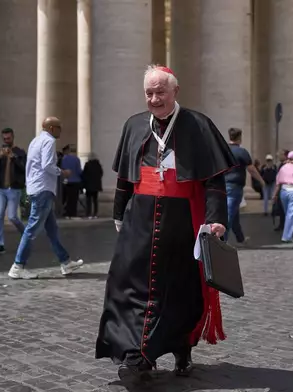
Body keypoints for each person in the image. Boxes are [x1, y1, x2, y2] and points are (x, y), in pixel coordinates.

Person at [95, 65, 236, 382]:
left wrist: (215, 220)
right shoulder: (134, 125)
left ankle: (181, 346)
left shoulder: (197, 125)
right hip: (139, 220)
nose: (154, 98)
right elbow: (124, 177)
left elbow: (213, 181)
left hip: (180, 222)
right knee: (128, 284)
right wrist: (119, 214)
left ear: (175, 91)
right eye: (149, 93)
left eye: (160, 91)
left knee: (178, 289)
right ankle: (137, 354)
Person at [8, 117, 84, 279]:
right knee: (32, 228)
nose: (60, 130)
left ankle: (65, 262)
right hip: (43, 189)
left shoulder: (35, 141)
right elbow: (47, 165)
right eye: (59, 127)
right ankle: (18, 266)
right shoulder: (49, 142)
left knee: (52, 230)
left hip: (36, 187)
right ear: (51, 128)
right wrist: (62, 172)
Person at [0, 128, 27, 255]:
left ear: (13, 137)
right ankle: (0, 244)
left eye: (8, 139)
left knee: (12, 217)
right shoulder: (0, 153)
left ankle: (26, 235)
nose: (6, 141)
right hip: (1, 189)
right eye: (4, 139)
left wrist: (13, 157)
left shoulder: (20, 152)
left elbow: (24, 169)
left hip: (14, 189)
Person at [224, 127, 264, 244]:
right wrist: (261, 181)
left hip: (222, 184)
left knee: (234, 213)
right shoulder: (241, 152)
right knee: (230, 214)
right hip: (234, 186)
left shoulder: (222, 149)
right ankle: (222, 240)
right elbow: (251, 169)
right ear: (239, 138)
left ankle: (240, 238)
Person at [272, 151, 293, 243]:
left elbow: (278, 182)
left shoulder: (283, 168)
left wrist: (275, 194)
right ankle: (286, 236)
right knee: (292, 214)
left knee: (289, 214)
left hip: (283, 191)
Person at [61, 144, 83, 219]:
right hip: (76, 181)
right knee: (74, 199)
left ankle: (67, 213)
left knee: (68, 198)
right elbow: (79, 171)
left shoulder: (64, 159)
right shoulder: (76, 159)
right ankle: (73, 214)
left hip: (67, 181)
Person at [82, 153, 103, 219]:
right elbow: (101, 173)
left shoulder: (87, 164)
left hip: (89, 185)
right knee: (95, 200)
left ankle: (89, 213)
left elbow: (84, 174)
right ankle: (95, 213)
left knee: (88, 200)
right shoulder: (98, 165)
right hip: (96, 185)